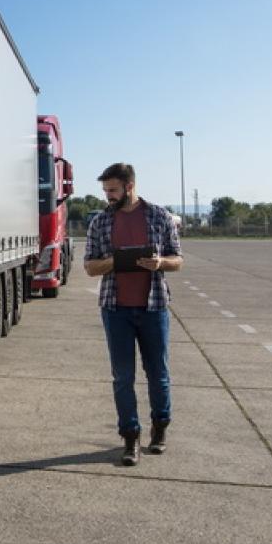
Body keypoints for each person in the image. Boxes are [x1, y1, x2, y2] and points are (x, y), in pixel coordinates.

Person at [84, 163, 183, 465]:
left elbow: (178, 259)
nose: (108, 197)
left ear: (129, 186)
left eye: (112, 190)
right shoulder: (100, 222)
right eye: (105, 191)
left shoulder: (159, 216)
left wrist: (160, 263)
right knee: (122, 377)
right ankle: (130, 438)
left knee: (158, 375)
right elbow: (89, 267)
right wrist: (113, 261)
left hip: (154, 308)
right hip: (116, 311)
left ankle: (160, 427)